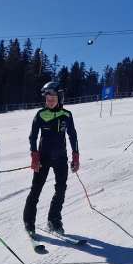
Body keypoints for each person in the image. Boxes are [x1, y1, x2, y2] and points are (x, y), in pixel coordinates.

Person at [23, 81, 79, 239]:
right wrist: (34, 155)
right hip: (43, 158)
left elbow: (73, 136)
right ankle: (29, 222)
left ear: (60, 97)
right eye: (47, 97)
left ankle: (54, 220)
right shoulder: (40, 115)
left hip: (61, 158)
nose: (50, 100)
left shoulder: (67, 115)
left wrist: (76, 156)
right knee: (36, 189)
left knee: (61, 189)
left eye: (53, 96)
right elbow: (32, 137)